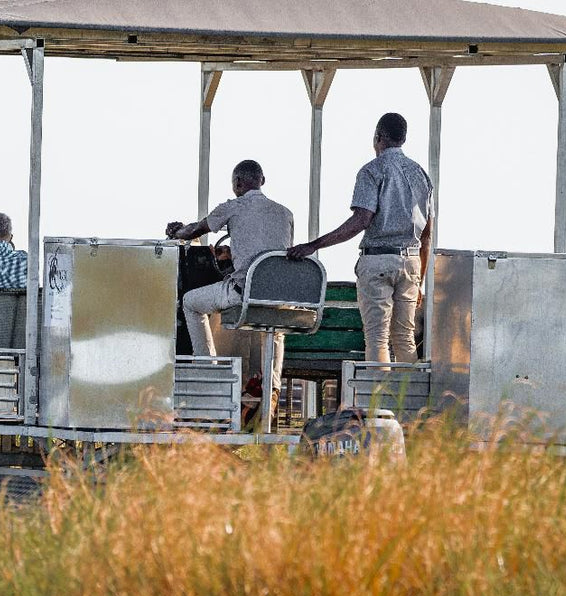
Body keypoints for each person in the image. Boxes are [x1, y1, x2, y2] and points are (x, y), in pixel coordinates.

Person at [287, 112, 433, 364]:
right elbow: (428, 234)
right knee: (404, 337)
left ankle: (377, 400)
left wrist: (314, 245)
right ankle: (407, 401)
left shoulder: (372, 171)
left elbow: (361, 221)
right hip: (411, 262)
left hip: (377, 260)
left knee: (377, 338)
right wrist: (420, 279)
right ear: (404, 139)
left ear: (378, 136)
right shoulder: (421, 174)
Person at [165, 159, 294, 395]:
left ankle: (210, 374)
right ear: (262, 181)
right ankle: (273, 388)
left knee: (191, 303)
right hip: (277, 294)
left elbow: (193, 231)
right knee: (277, 326)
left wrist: (176, 231)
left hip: (243, 292)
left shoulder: (232, 207)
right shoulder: (285, 213)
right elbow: (271, 252)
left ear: (237, 183)